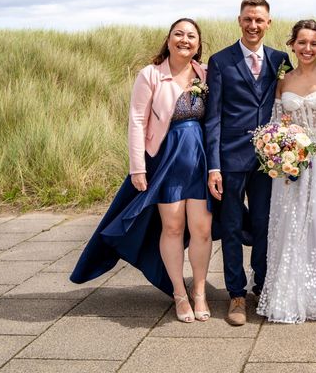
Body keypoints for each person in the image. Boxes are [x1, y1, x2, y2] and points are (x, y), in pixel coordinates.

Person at [71, 18, 213, 323]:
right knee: (172, 227)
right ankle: (179, 293)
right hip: (166, 160)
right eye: (179, 34)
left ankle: (199, 290)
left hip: (199, 160)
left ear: (198, 44)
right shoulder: (150, 75)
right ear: (168, 38)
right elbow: (136, 120)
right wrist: (138, 168)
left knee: (201, 228)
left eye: (191, 36)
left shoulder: (206, 74)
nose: (184, 40)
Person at [257, 20, 316, 323]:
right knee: (292, 221)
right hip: (292, 162)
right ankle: (290, 291)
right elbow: (276, 122)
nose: (307, 48)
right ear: (292, 45)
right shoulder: (283, 80)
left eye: (313, 43)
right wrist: (279, 149)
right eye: (302, 42)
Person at [205, 0, 291, 326]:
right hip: (229, 158)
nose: (253, 25)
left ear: (268, 23)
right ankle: (236, 294)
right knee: (229, 227)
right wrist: (214, 166)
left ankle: (262, 286)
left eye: (259, 20)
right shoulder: (221, 61)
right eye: (247, 19)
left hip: (268, 160)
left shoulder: (280, 59)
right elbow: (212, 119)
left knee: (263, 225)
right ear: (239, 21)